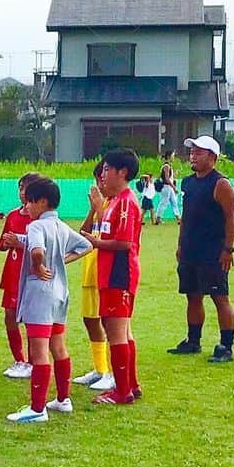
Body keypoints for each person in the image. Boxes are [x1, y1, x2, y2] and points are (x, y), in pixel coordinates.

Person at [3, 176, 91, 423]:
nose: (27, 207)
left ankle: (37, 408)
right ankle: (63, 399)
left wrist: (39, 264)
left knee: (39, 350)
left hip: (40, 293)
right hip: (60, 292)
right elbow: (85, 246)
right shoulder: (61, 226)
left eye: (30, 202)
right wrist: (59, 260)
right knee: (58, 346)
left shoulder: (36, 227)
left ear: (42, 202)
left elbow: (38, 249)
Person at [168, 135, 234, 364]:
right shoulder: (188, 183)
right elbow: (186, 218)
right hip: (190, 250)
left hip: (213, 252)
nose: (193, 156)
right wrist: (180, 244)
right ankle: (193, 340)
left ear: (212, 157)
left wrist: (228, 249)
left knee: (220, 297)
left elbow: (230, 217)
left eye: (198, 153)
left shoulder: (221, 184)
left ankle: (226, 346)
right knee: (192, 296)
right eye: (192, 152)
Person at [82, 148, 144, 405]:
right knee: (120, 330)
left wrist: (96, 242)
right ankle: (130, 384)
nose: (103, 175)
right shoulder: (114, 201)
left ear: (123, 172)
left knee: (116, 332)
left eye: (107, 169)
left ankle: (122, 392)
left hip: (120, 273)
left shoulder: (127, 202)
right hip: (109, 273)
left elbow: (124, 243)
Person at [73, 161, 114, 392]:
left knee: (109, 322)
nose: (100, 183)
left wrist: (99, 207)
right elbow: (83, 235)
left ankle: (110, 372)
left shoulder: (117, 203)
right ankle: (100, 369)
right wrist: (93, 209)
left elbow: (112, 232)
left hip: (106, 271)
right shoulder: (100, 203)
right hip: (90, 268)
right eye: (98, 178)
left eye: (103, 177)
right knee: (90, 319)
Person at [0, 173, 38, 379]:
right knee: (10, 316)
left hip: (31, 275)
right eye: (20, 188)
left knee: (32, 319)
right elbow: (2, 244)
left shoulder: (39, 217)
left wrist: (20, 242)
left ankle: (33, 362)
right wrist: (7, 242)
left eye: (27, 188)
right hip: (12, 274)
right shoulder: (13, 215)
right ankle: (19, 359)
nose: (22, 192)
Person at [156, 150, 180, 225]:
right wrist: (174, 187)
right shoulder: (166, 166)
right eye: (173, 156)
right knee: (163, 203)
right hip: (166, 187)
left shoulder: (168, 166)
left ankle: (178, 218)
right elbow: (166, 179)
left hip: (168, 187)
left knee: (174, 202)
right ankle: (158, 218)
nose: (173, 157)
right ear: (169, 157)